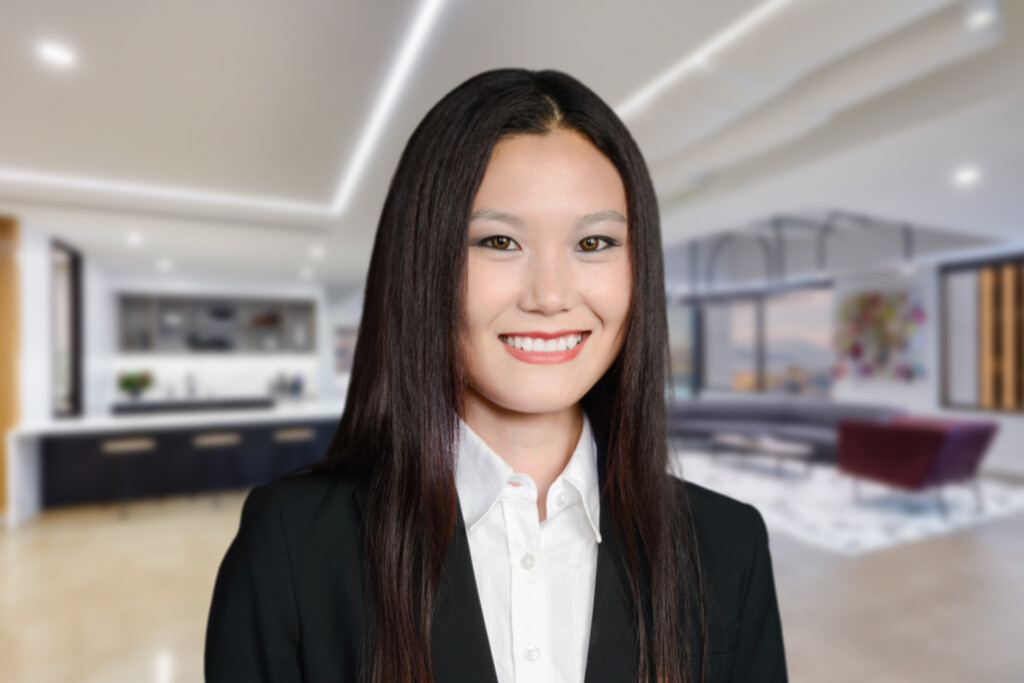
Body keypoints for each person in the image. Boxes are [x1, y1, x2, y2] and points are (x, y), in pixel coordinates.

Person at [205, 68, 787, 683]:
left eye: (593, 243)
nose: (551, 295)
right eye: (500, 241)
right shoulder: (295, 547)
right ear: (423, 263)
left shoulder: (727, 547)